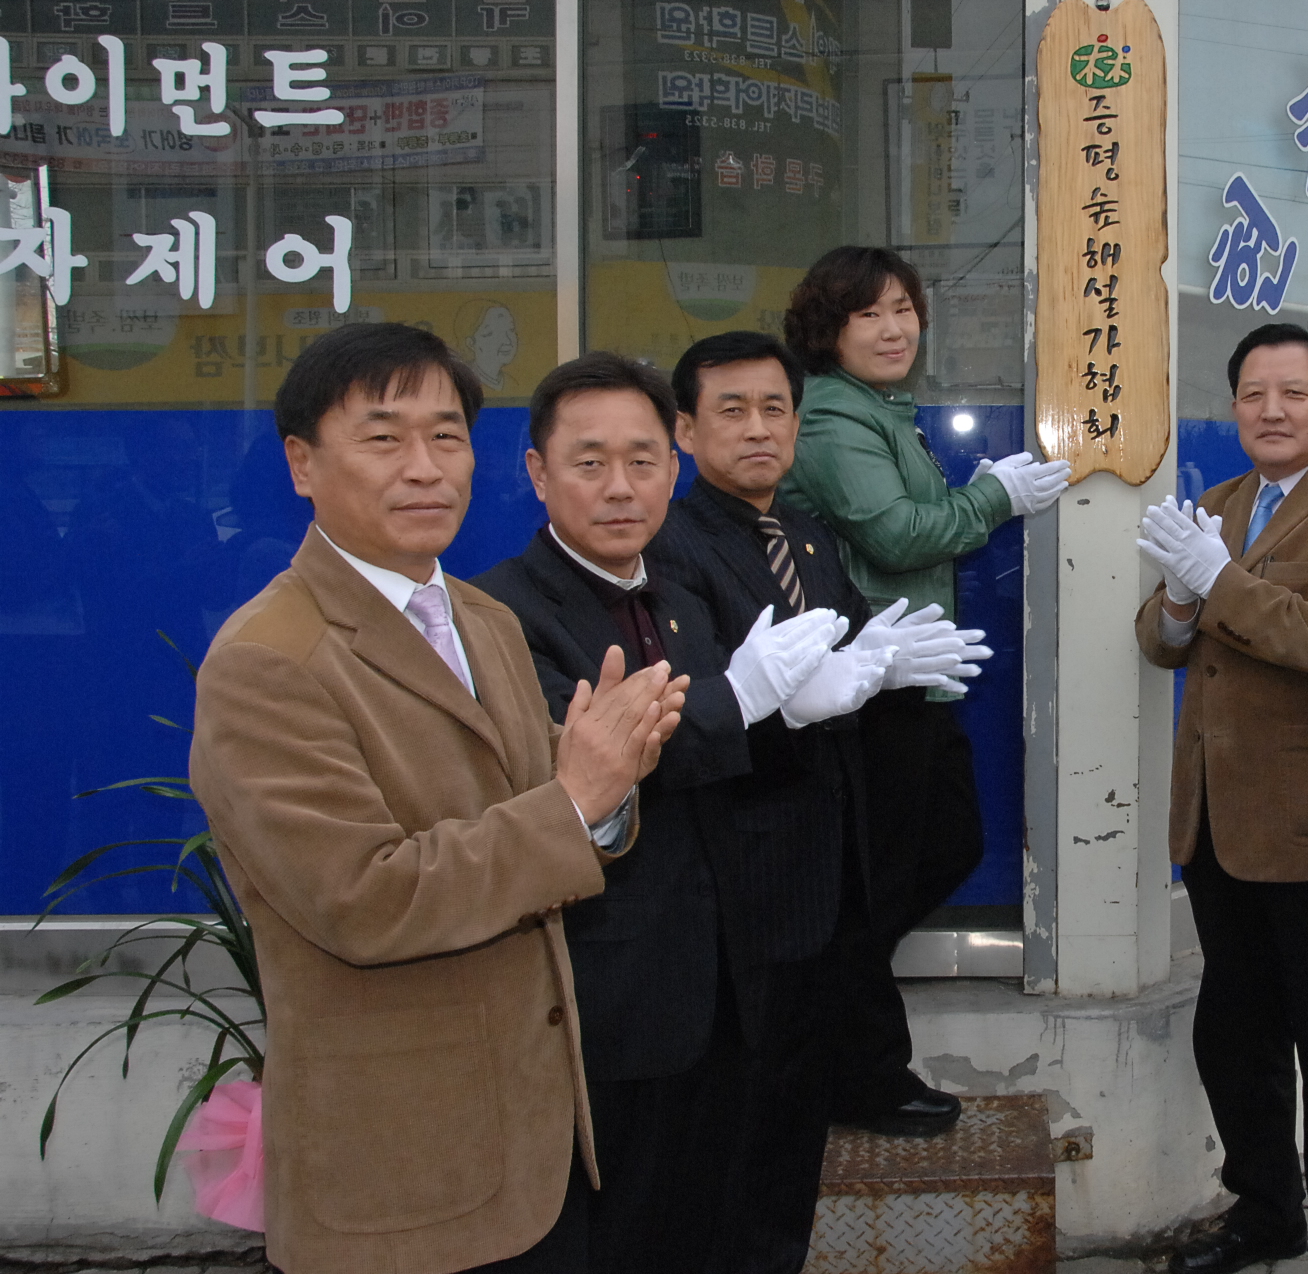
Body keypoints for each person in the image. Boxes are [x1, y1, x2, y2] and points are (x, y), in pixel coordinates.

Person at [188, 322, 689, 1274]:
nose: (425, 468)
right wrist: (576, 800)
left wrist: (610, 778)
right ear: (302, 463)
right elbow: (364, 899)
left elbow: (542, 794)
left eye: (447, 436)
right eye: (383, 438)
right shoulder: (269, 661)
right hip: (403, 1168)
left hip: (536, 1145)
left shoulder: (480, 617)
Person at [472, 354, 853, 1272]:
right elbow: (605, 757)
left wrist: (811, 697)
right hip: (609, 991)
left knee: (716, 1208)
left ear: (673, 468)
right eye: (589, 462)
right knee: (621, 1230)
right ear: (536, 472)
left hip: (725, 976)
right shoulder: (502, 614)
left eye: (643, 462)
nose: (619, 488)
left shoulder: (679, 596)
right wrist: (743, 701)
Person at [646, 329, 985, 1274]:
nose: (759, 430)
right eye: (732, 410)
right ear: (684, 427)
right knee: (742, 1117)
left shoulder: (803, 533)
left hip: (824, 861)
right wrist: (774, 703)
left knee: (793, 1113)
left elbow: (843, 653)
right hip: (741, 879)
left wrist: (881, 664)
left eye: (776, 410)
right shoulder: (671, 547)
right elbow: (695, 717)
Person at [1134, 322, 1308, 1274]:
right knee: (1235, 1038)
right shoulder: (1220, 499)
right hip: (1215, 824)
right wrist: (1178, 595)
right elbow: (1165, 643)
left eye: (1293, 392)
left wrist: (1218, 580)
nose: (1271, 410)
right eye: (1252, 394)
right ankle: (1265, 1213)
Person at [778, 245, 1068, 1136]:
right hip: (871, 683)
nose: (896, 327)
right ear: (829, 330)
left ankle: (822, 993)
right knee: (878, 885)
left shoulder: (878, 412)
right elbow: (900, 535)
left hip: (914, 676)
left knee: (936, 852)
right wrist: (993, 499)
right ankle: (861, 1072)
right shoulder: (831, 418)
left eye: (905, 308)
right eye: (871, 313)